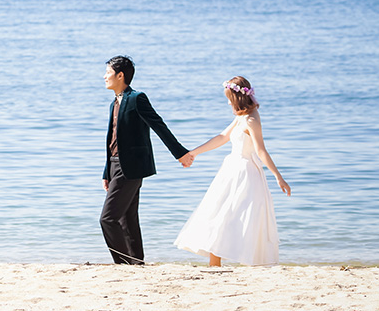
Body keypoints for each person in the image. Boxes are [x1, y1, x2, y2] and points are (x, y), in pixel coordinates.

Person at [174, 76, 291, 266]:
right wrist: (193, 153)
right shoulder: (241, 118)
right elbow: (221, 137)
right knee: (218, 213)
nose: (228, 102)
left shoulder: (252, 119)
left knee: (236, 216)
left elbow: (261, 150)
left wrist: (279, 177)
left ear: (237, 98)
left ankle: (236, 261)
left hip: (246, 173)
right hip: (231, 170)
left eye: (229, 97)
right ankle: (214, 263)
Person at [101, 55, 193, 265]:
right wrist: (107, 172)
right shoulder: (113, 103)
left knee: (108, 219)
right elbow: (112, 141)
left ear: (120, 75)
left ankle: (124, 263)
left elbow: (158, 126)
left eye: (108, 72)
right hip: (115, 166)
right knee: (127, 218)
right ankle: (136, 263)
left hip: (131, 167)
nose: (104, 76)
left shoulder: (137, 98)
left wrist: (180, 153)